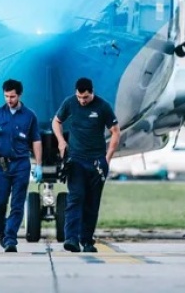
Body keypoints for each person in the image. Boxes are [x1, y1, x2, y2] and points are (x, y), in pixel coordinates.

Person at [51, 77, 120, 253]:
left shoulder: (102, 106)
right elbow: (56, 121)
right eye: (80, 97)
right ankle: (71, 239)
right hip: (76, 159)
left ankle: (87, 240)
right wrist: (61, 141)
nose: (82, 101)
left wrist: (107, 157)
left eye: (86, 98)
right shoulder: (70, 102)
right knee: (76, 197)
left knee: (92, 201)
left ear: (92, 93)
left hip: (97, 160)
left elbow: (115, 131)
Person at [0, 78, 42, 252]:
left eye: (13, 96)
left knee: (17, 204)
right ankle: (1, 230)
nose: (9, 100)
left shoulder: (29, 116)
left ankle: (10, 239)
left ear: (19, 95)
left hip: (21, 165)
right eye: (7, 96)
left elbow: (36, 140)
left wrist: (38, 164)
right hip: (1, 166)